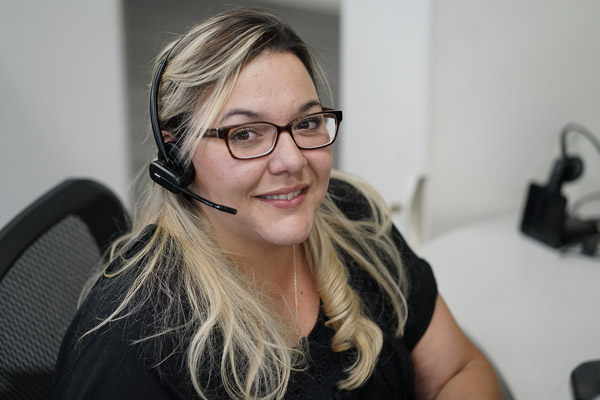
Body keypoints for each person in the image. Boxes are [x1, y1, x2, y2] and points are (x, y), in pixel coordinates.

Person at [52, 8, 502, 400]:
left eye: (306, 123)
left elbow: (457, 371)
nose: (292, 161)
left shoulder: (351, 213)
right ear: (177, 156)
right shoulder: (131, 345)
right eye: (245, 134)